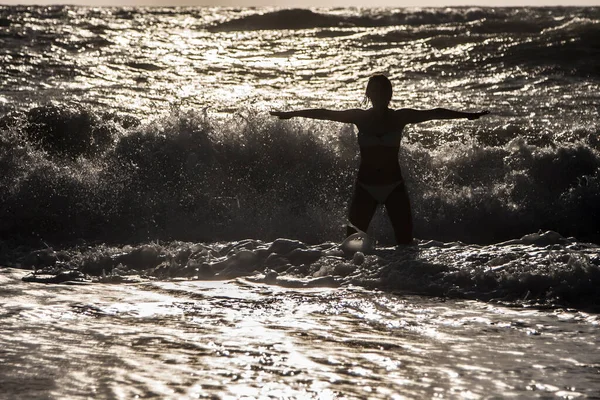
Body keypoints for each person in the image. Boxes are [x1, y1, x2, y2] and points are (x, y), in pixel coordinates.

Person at [270, 74, 489, 245]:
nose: (378, 96)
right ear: (369, 94)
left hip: (395, 188)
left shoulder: (399, 117)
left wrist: (466, 115)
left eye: (382, 92)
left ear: (389, 95)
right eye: (373, 92)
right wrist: (293, 113)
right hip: (365, 188)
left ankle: (406, 286)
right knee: (351, 243)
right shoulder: (359, 117)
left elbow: (433, 112)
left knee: (405, 244)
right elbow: (326, 112)